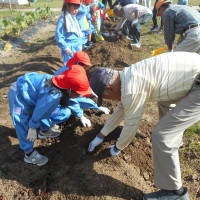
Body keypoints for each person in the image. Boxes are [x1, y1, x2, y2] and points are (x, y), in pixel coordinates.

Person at [87, 52, 200, 200]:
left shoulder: (132, 89)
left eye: (105, 97)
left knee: (161, 135)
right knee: (164, 104)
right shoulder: (127, 76)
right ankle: (173, 144)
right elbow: (119, 111)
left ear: (109, 88)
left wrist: (117, 148)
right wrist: (99, 137)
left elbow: (130, 126)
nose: (110, 100)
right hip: (192, 72)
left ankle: (175, 193)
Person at [8, 66, 92, 166]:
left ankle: (44, 131)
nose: (79, 96)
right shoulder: (52, 95)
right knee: (21, 121)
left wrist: (82, 114)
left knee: (48, 109)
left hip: (33, 93)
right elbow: (41, 111)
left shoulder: (62, 84)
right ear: (70, 90)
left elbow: (73, 101)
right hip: (18, 92)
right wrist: (32, 127)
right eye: (78, 93)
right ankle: (29, 154)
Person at [54, 51, 110, 127]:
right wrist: (94, 108)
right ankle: (48, 124)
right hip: (54, 100)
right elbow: (74, 100)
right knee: (65, 112)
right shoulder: (70, 75)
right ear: (78, 63)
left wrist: (91, 92)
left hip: (59, 94)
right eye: (85, 66)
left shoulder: (70, 69)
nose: (86, 68)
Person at [55, 0, 83, 67]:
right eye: (74, 8)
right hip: (69, 48)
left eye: (77, 8)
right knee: (69, 67)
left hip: (77, 46)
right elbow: (59, 36)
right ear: (67, 6)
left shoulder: (73, 18)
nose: (76, 11)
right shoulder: (63, 20)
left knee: (77, 64)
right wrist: (66, 48)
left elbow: (77, 33)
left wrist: (80, 44)